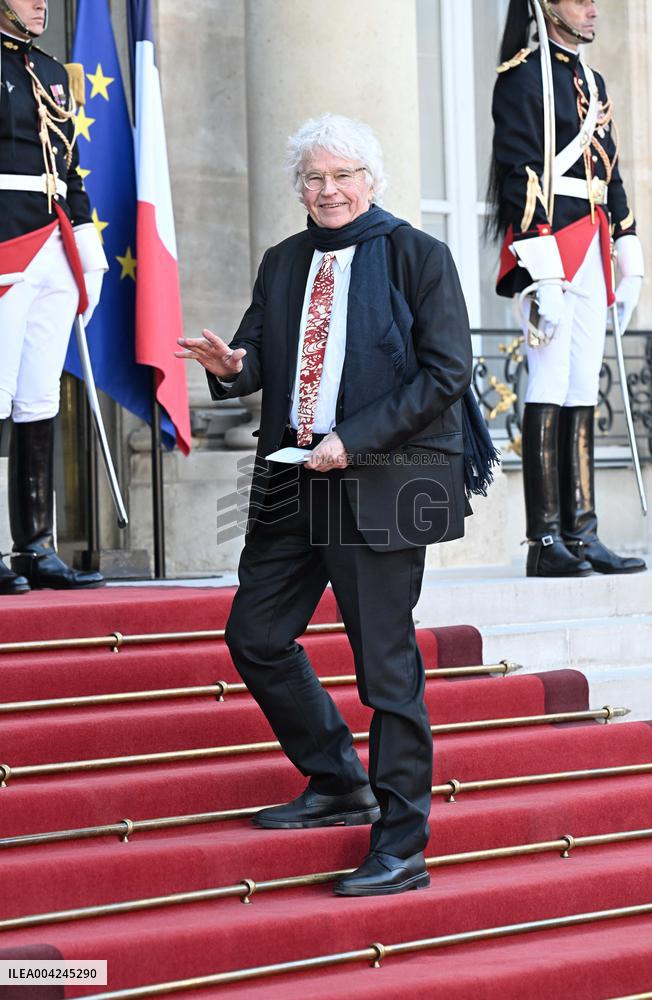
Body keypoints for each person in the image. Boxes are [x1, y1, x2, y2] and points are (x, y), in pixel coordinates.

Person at [177, 113, 473, 896]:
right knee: (256, 634)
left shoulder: (419, 255)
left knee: (386, 670)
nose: (327, 190)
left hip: (379, 481)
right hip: (292, 479)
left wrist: (355, 437)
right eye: (313, 177)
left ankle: (402, 842)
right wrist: (231, 366)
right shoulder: (283, 261)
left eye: (342, 175)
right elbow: (257, 359)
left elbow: (446, 373)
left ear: (370, 180)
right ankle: (338, 778)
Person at [489, 0, 646, 577]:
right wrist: (542, 269)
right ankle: (544, 539)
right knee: (549, 381)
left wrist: (631, 259)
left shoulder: (592, 79)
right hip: (552, 249)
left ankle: (583, 532)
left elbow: (611, 173)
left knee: (582, 382)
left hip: (594, 246)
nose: (592, 8)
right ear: (546, 6)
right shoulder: (522, 78)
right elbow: (520, 175)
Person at [0, 0, 107, 593]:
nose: (41, 3)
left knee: (40, 394)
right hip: (3, 240)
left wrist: (86, 245)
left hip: (52, 238)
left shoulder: (51, 71)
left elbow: (71, 170)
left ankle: (35, 546)